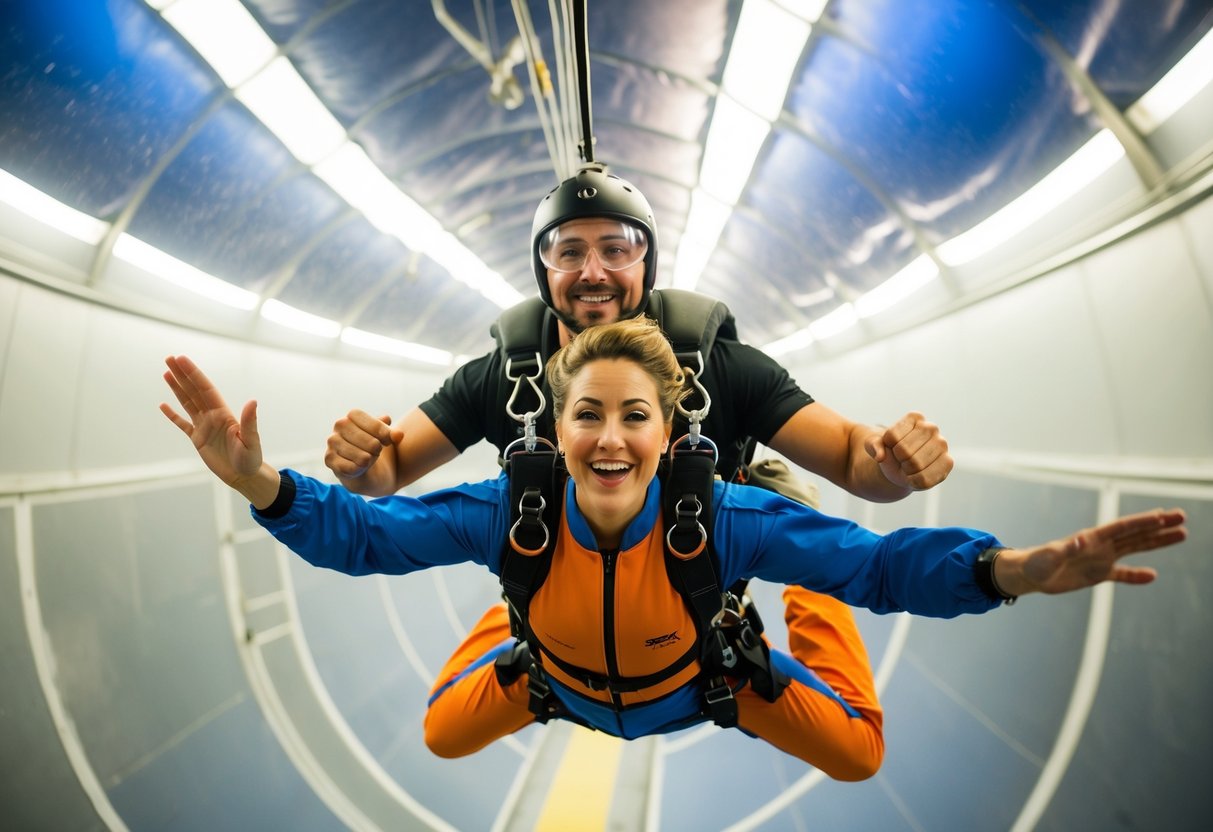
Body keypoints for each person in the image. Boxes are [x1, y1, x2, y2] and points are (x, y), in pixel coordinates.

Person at [159, 317, 1187, 781]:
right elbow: (367, 538)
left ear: (669, 428)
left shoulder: (724, 515)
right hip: (553, 673)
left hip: (710, 680)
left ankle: (795, 612)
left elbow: (878, 566)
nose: (610, 438)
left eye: (634, 416)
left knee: (859, 753)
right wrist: (259, 480)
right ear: (554, 427)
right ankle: (517, 623)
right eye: (587, 415)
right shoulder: (509, 510)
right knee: (437, 734)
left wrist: (1013, 570)